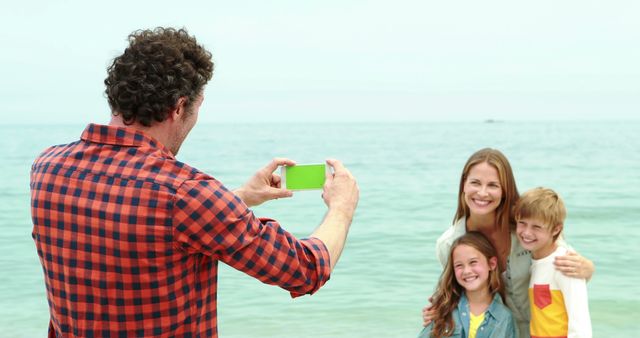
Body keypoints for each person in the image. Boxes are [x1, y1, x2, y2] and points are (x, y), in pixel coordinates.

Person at [30, 27, 359, 337]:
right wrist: (341, 208)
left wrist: (240, 196)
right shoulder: (186, 195)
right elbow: (305, 270)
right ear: (179, 107)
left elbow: (133, 213)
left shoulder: (47, 168)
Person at [423, 148, 594, 337]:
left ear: (505, 189)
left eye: (493, 185)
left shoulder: (526, 228)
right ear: (464, 184)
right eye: (475, 183)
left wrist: (588, 268)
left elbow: (565, 264)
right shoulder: (449, 244)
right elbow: (456, 291)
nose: (482, 192)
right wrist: (438, 310)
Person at [515, 187, 592, 338]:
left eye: (536, 227)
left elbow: (581, 325)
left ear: (556, 229)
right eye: (522, 223)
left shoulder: (566, 264)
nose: (527, 232)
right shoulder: (533, 260)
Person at [418, 232, 517, 338]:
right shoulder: (444, 309)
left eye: (473, 262)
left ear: (491, 264)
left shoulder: (504, 318)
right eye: (459, 265)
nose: (466, 271)